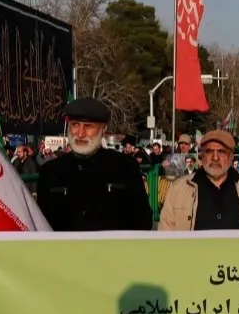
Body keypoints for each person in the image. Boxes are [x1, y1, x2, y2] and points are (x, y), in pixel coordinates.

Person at [35, 97, 153, 231]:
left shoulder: (125, 167)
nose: (80, 134)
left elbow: (143, 222)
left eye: (88, 126)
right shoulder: (50, 171)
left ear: (104, 130)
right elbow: (40, 225)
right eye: (75, 125)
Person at [158, 130, 239, 231]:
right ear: (202, 155)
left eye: (221, 152)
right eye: (209, 151)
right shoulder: (178, 189)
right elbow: (165, 233)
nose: (215, 158)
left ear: (231, 157)